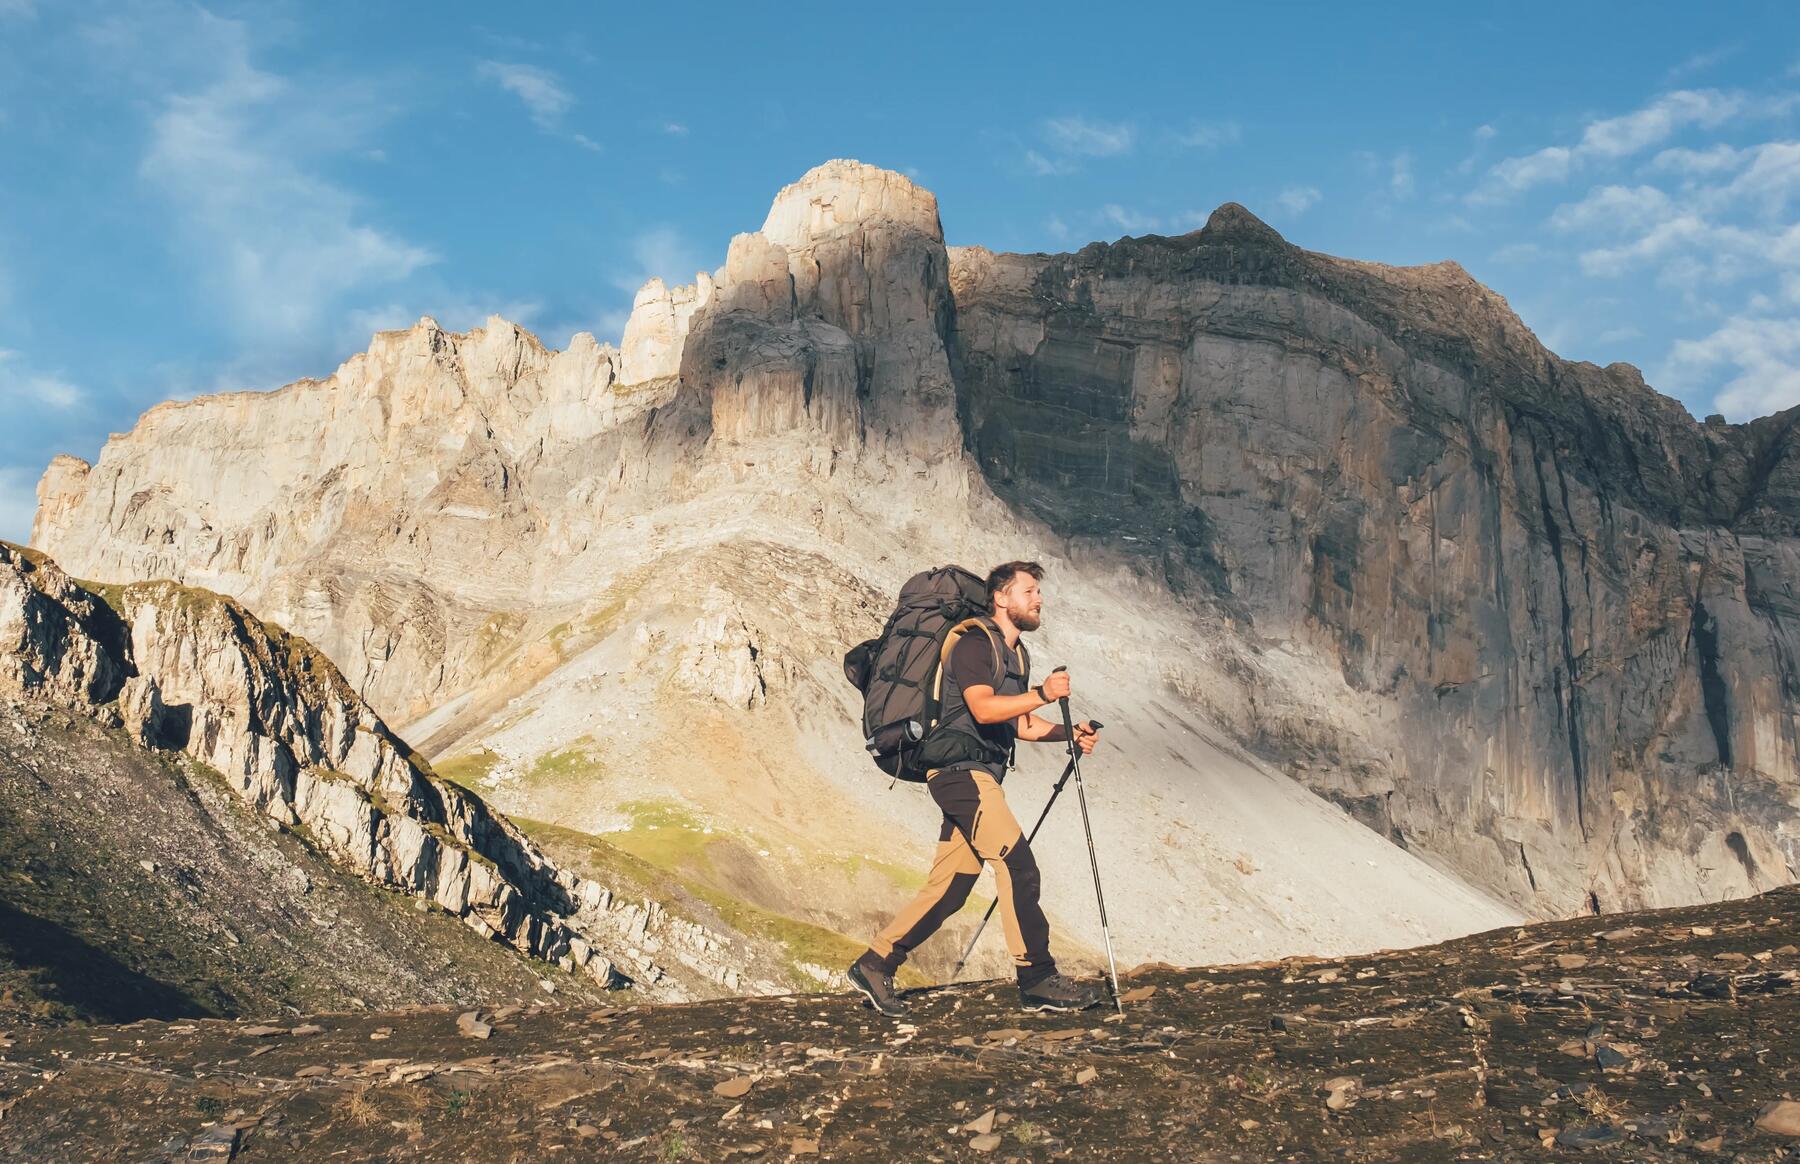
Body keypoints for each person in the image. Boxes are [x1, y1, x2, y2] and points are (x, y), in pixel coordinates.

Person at [847, 561, 1103, 1016]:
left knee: (950, 888)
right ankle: (1038, 978)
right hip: (957, 773)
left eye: (1038, 592)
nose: (1038, 599)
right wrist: (1045, 693)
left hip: (979, 773)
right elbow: (983, 710)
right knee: (1017, 864)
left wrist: (1069, 732)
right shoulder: (972, 642)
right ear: (1001, 598)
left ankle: (875, 963)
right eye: (1030, 591)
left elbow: (1018, 722)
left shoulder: (1015, 653)